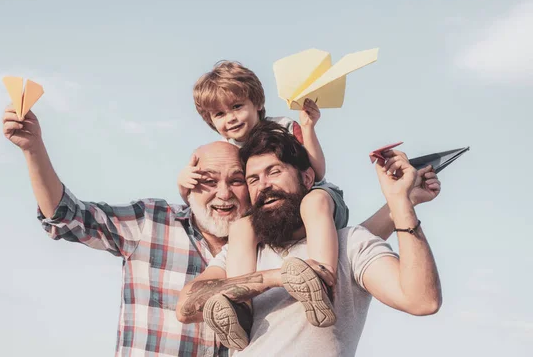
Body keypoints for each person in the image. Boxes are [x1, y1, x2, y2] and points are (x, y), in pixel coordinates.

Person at [176, 121, 442, 356]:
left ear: (307, 178)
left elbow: (422, 300)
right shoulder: (243, 252)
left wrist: (400, 203)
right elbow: (186, 307)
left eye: (274, 172)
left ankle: (321, 286)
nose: (263, 185)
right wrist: (276, 278)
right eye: (253, 179)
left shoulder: (350, 244)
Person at [2, 105, 250, 356]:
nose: (224, 193)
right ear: (190, 184)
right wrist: (33, 149)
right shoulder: (151, 222)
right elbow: (68, 215)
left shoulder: (261, 246)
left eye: (236, 181)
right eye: (209, 181)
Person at [178, 61, 349, 341]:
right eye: (219, 114)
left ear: (256, 103)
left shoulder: (282, 127)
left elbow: (317, 171)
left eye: (236, 107)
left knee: (312, 202)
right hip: (275, 216)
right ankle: (241, 308)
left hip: (314, 200)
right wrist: (182, 182)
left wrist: (308, 127)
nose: (230, 118)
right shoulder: (230, 153)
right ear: (212, 123)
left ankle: (322, 281)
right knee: (242, 228)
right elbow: (213, 192)